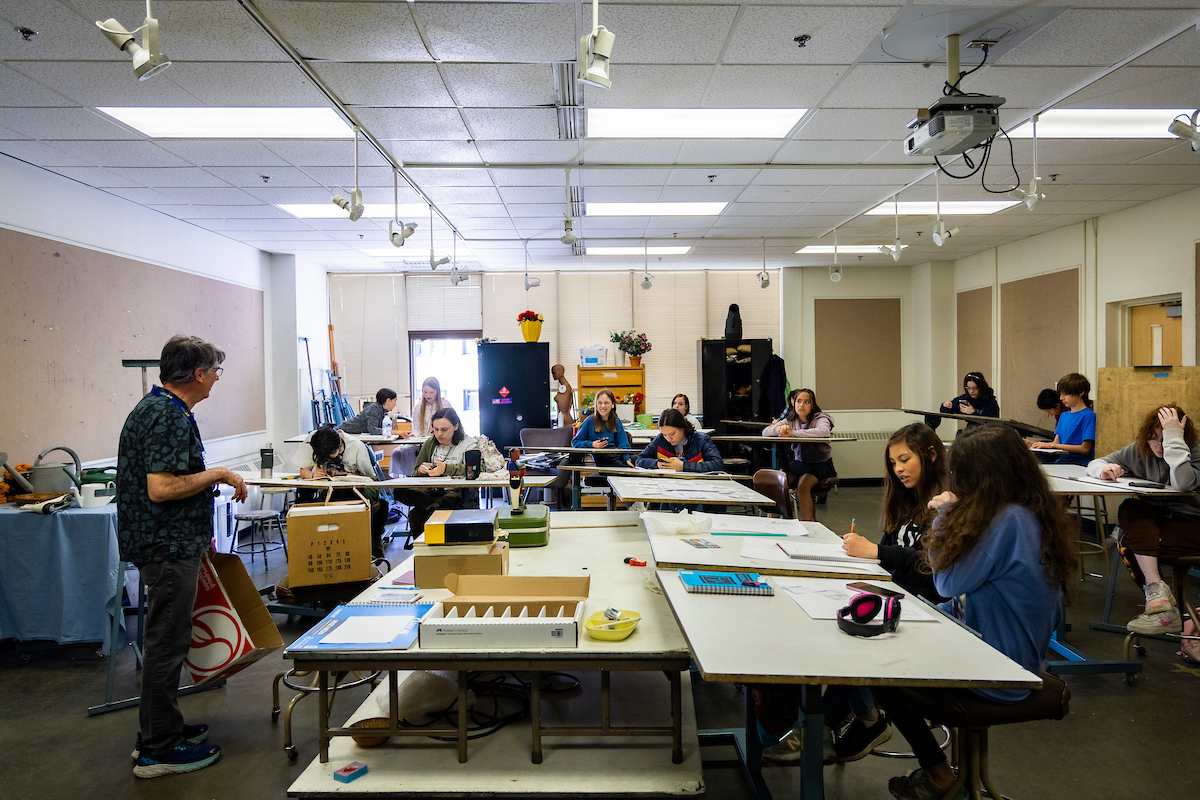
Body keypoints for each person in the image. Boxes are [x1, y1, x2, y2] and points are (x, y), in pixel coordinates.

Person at [875, 423, 1076, 800]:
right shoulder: (1030, 511)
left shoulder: (1005, 522)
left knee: (874, 666)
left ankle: (937, 772)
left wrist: (942, 518)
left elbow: (946, 583)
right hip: (1015, 656)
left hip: (996, 670)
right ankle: (944, 773)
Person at [765, 424, 949, 765]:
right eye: (893, 463)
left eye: (905, 459)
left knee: (856, 641)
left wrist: (877, 553)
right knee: (844, 617)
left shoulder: (944, 503)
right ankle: (859, 718)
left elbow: (934, 567)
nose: (899, 469)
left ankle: (823, 727)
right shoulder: (904, 498)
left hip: (931, 609)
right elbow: (893, 553)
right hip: (897, 597)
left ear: (931, 454)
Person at [116, 335, 247, 778]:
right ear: (198, 374)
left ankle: (161, 728)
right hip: (167, 547)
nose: (216, 379)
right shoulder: (165, 415)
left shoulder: (164, 410)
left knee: (168, 641)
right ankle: (158, 749)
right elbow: (162, 487)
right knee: (167, 645)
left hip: (170, 543)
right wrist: (219, 474)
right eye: (215, 371)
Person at [1087, 404, 1200, 635]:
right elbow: (1095, 463)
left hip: (1192, 524)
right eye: (1153, 439)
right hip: (1160, 523)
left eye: (1165, 438)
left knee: (1128, 543)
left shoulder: (1195, 451)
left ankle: (1164, 612)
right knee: (1131, 507)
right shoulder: (1139, 451)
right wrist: (1104, 470)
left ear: (1180, 437)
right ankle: (1158, 597)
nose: (1159, 446)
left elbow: (1182, 483)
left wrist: (1174, 441)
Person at [293, 425, 388, 558]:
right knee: (315, 503)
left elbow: (370, 479)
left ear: (339, 445)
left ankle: (359, 547)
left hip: (358, 488)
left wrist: (346, 475)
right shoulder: (314, 440)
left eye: (330, 456)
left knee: (346, 499)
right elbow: (303, 470)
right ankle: (311, 546)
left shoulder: (356, 447)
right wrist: (311, 475)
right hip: (332, 489)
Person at [393, 408, 479, 544]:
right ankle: (432, 508)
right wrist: (421, 471)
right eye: (436, 429)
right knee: (399, 489)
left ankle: (433, 511)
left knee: (417, 515)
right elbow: (415, 473)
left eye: (444, 429)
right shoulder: (430, 443)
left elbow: (477, 471)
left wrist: (446, 469)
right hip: (431, 492)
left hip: (456, 491)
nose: (439, 434)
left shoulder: (469, 445)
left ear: (456, 426)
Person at [762, 388, 836, 521]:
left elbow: (823, 432)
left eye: (806, 402)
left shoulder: (821, 418)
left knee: (803, 486)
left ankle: (808, 525)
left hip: (820, 464)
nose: (801, 405)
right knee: (779, 483)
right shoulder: (790, 419)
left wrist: (793, 433)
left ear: (812, 404)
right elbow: (765, 432)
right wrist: (780, 428)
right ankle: (773, 523)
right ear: (793, 403)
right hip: (800, 463)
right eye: (799, 401)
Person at [1030, 372, 1095, 466]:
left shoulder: (1089, 416)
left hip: (1079, 464)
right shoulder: (1064, 416)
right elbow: (1056, 443)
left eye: (1066, 394)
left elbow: (1084, 449)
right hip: (1062, 462)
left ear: (1081, 392)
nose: (1061, 398)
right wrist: (1034, 444)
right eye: (1060, 394)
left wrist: (1052, 445)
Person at [635, 409, 723, 472]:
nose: (669, 439)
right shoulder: (660, 439)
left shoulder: (701, 439)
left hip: (697, 484)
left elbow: (718, 464)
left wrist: (683, 466)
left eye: (672, 434)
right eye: (665, 434)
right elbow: (639, 459)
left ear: (682, 428)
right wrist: (656, 463)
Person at [571, 388, 634, 467]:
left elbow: (624, 444)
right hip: (602, 459)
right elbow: (575, 442)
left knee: (639, 461)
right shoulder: (589, 421)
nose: (603, 406)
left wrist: (627, 459)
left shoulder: (616, 421)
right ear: (596, 405)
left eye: (606, 403)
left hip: (615, 456)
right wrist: (592, 444)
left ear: (612, 405)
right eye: (600, 403)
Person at [926, 371, 999, 432]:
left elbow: (992, 424)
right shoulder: (966, 398)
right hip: (970, 431)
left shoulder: (991, 402)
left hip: (985, 434)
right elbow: (948, 410)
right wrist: (946, 406)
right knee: (960, 434)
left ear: (981, 388)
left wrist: (973, 413)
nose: (971, 391)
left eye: (974, 388)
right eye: (968, 388)